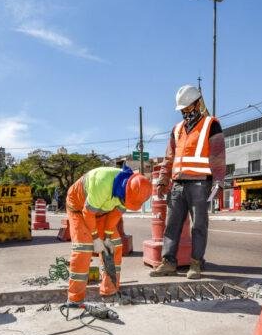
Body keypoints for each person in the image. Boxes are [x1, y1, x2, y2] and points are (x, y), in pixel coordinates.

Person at [151, 85, 226, 279]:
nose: (185, 111)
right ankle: (168, 263)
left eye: (188, 107)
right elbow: (169, 158)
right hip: (177, 185)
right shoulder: (176, 129)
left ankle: (196, 263)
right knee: (172, 225)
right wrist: (162, 180)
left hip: (200, 184)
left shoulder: (211, 124)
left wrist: (218, 181)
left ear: (198, 103)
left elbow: (217, 155)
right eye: (182, 109)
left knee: (198, 225)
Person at [63, 165, 152, 307]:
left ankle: (109, 291)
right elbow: (88, 213)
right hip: (79, 209)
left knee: (115, 246)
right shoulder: (102, 182)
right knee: (83, 249)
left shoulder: (130, 192)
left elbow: (115, 215)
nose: (125, 204)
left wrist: (108, 237)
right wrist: (95, 238)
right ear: (125, 188)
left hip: (101, 213)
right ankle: (75, 299)